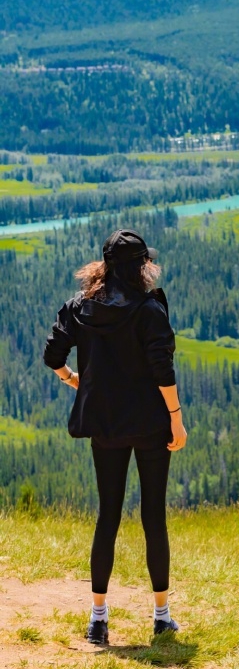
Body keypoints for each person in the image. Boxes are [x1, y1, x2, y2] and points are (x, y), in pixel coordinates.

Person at [43, 228, 187, 646]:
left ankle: (98, 619)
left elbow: (53, 354)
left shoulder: (80, 307)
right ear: (141, 267)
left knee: (108, 516)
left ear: (105, 265)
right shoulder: (149, 310)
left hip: (104, 424)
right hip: (150, 424)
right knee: (153, 517)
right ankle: (161, 617)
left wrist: (73, 379)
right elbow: (162, 370)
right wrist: (176, 419)